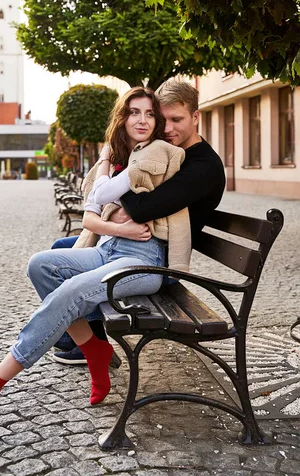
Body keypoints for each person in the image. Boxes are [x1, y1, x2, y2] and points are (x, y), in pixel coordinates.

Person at [0, 86, 190, 428]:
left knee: (69, 293)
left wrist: (104, 176)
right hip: (110, 249)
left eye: (149, 113)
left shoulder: (155, 151)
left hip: (142, 262)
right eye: (134, 112)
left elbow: (100, 194)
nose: (142, 120)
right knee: (41, 265)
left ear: (157, 122)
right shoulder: (123, 155)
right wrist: (113, 212)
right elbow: (90, 212)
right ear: (123, 117)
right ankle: (94, 350)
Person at [50, 79, 226, 364]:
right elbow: (134, 195)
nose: (167, 129)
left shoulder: (202, 167)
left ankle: (81, 341)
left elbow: (143, 206)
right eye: (163, 119)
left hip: (161, 259)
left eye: (176, 120)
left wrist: (124, 179)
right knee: (61, 247)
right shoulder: (164, 150)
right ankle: (83, 340)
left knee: (67, 261)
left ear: (196, 117)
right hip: (138, 240)